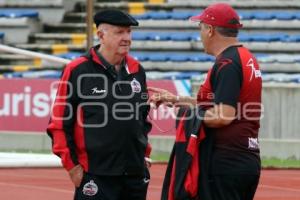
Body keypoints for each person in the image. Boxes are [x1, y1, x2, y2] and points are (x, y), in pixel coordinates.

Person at [148, 3, 262, 200]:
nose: (200, 35)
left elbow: (223, 116)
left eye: (200, 27)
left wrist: (187, 117)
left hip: (226, 162)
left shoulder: (227, 63)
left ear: (210, 30)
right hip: (244, 158)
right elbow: (215, 103)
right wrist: (175, 100)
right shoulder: (245, 57)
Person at [47, 9, 152, 200]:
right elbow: (59, 124)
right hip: (95, 176)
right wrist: (73, 168)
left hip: (134, 174)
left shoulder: (137, 70)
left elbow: (142, 119)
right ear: (101, 35)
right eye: (119, 32)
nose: (127, 38)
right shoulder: (77, 69)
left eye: (129, 32)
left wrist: (144, 154)